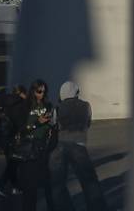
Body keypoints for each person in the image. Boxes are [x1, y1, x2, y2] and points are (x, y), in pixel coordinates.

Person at [51, 81, 107, 211]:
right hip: (79, 145)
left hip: (61, 147)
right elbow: (88, 123)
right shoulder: (86, 106)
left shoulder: (57, 108)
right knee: (89, 182)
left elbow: (54, 126)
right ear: (76, 92)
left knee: (58, 183)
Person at [20, 79, 56, 211]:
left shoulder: (48, 105)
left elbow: (53, 126)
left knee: (48, 184)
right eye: (39, 91)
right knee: (30, 187)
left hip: (44, 147)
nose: (41, 94)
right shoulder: (26, 106)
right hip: (29, 148)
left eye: (44, 91)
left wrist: (51, 143)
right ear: (33, 91)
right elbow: (21, 129)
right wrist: (37, 123)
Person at [0, 84, 27, 197]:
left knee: (12, 162)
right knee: (14, 163)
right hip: (14, 138)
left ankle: (15, 188)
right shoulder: (20, 104)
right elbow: (22, 124)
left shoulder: (7, 101)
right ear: (21, 93)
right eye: (25, 93)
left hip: (4, 138)